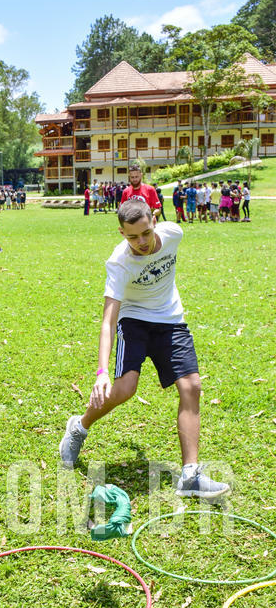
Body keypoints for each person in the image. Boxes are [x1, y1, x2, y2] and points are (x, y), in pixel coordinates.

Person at [59, 198, 231, 501]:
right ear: (121, 233)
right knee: (125, 388)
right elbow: (108, 320)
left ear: (154, 221)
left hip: (171, 320)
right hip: (134, 321)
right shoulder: (119, 262)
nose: (140, 242)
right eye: (131, 236)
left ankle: (190, 475)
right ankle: (79, 427)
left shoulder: (174, 233)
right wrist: (101, 373)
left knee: (191, 386)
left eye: (145, 233)